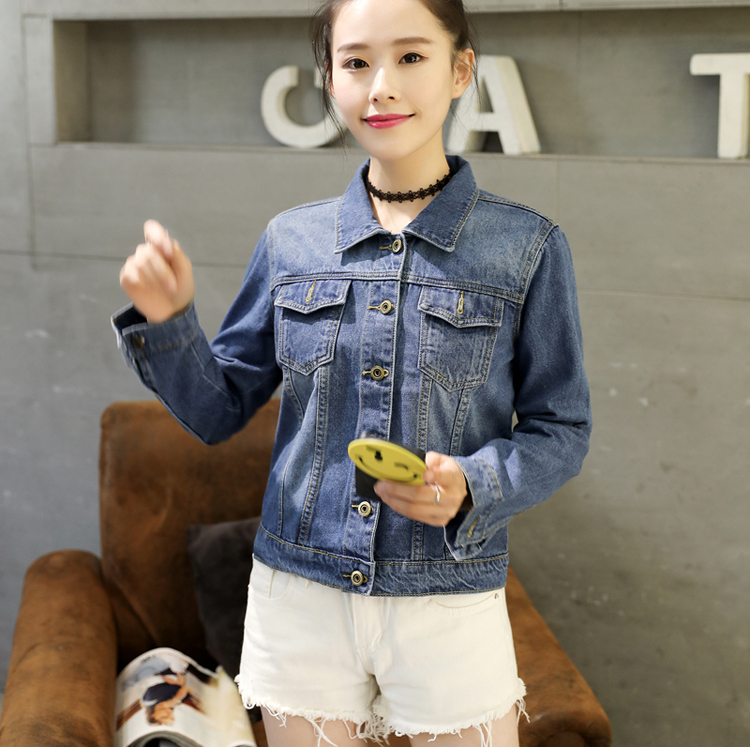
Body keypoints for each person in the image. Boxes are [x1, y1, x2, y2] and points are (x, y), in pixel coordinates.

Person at [113, 0, 591, 745]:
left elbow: (562, 428)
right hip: (299, 596)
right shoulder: (292, 240)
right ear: (329, 80)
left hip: (447, 591)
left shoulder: (526, 246)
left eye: (411, 56)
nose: (381, 85)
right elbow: (218, 409)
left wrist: (475, 484)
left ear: (460, 69)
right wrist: (171, 321)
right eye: (356, 62)